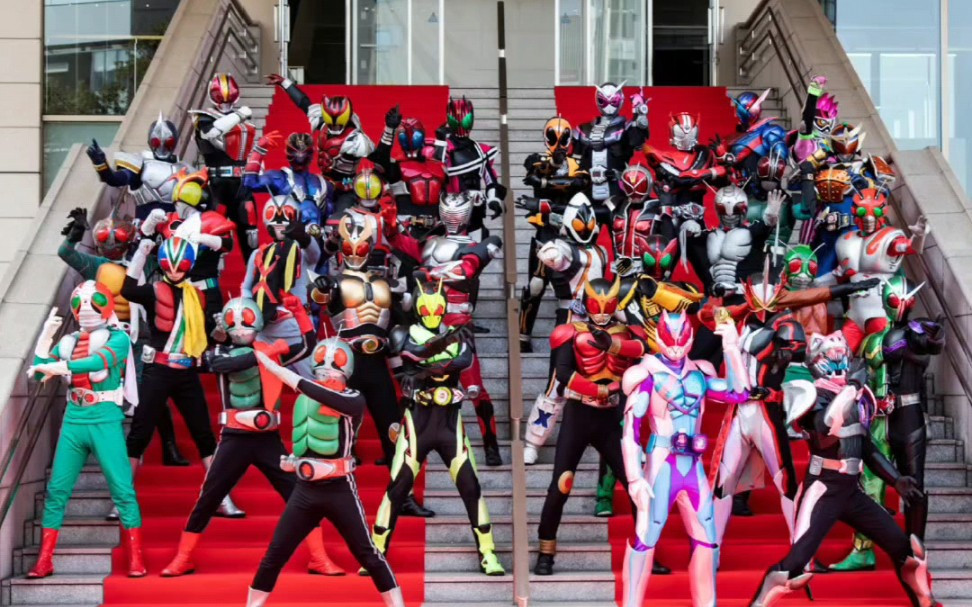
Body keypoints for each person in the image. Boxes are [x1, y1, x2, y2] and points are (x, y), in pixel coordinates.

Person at [750, 331, 938, 607]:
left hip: (851, 489)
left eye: (843, 358)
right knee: (792, 567)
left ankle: (926, 604)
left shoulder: (858, 397)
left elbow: (866, 447)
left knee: (906, 553)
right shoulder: (810, 394)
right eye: (833, 359)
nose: (840, 365)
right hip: (823, 488)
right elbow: (826, 426)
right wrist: (851, 388)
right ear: (818, 361)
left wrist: (896, 480)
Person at [160, 296, 342, 577]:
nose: (239, 327)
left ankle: (318, 557)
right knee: (210, 497)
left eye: (245, 320)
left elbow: (307, 345)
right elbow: (224, 366)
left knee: (299, 495)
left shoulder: (271, 351)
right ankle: (183, 558)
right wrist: (266, 354)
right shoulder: (220, 352)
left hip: (267, 437)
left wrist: (299, 314)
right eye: (233, 321)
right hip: (235, 437)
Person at [247, 338, 404, 607]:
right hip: (305, 489)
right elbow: (306, 438)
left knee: (368, 554)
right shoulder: (306, 398)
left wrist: (278, 370)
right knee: (275, 553)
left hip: (339, 487)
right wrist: (294, 461)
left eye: (335, 361)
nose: (328, 366)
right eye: (323, 359)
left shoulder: (352, 399)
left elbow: (318, 393)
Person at [369, 281, 504, 575]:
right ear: (417, 307)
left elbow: (462, 360)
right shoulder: (406, 333)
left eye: (437, 308)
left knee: (471, 486)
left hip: (449, 423)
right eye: (426, 308)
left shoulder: (455, 334)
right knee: (398, 487)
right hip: (417, 421)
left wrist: (428, 364)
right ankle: (376, 552)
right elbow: (411, 357)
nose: (432, 314)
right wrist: (442, 351)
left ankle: (488, 552)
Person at [619, 311, 748, 607]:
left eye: (681, 340)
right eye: (670, 339)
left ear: (690, 338)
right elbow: (630, 429)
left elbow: (739, 393)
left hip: (692, 466)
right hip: (661, 463)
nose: (676, 347)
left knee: (707, 538)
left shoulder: (699, 373)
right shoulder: (645, 375)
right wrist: (634, 477)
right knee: (646, 535)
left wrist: (731, 347)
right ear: (658, 337)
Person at [26, 282, 145, 578]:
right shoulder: (68, 342)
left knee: (122, 489)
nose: (87, 309)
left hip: (105, 418)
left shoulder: (118, 338)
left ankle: (136, 558)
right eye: (81, 303)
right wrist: (44, 341)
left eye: (94, 302)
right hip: (74, 419)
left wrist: (60, 367)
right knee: (57, 490)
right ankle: (44, 560)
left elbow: (96, 361)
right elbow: (39, 372)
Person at [121, 237, 244, 516]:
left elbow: (212, 337)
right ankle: (122, 499)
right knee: (139, 432)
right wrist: (141, 252)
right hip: (158, 369)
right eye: (170, 266)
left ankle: (220, 498)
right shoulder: (154, 291)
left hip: (187, 370)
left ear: (189, 265)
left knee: (204, 434)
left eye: (180, 266)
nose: (175, 271)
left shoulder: (198, 296)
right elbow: (127, 289)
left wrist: (221, 332)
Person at [57, 206, 188, 467]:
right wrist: (76, 232)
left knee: (151, 391)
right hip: (106, 338)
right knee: (105, 389)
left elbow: (166, 255)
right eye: (106, 241)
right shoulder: (96, 266)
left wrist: (155, 230)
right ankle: (103, 448)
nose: (112, 246)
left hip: (141, 335)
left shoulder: (143, 261)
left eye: (117, 240)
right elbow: (65, 252)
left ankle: (169, 446)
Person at [533, 278, 648, 576]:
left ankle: (645, 552)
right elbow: (562, 372)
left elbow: (646, 349)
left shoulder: (627, 332)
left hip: (611, 417)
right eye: (596, 304)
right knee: (561, 484)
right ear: (587, 302)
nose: (601, 312)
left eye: (608, 305)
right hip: (580, 414)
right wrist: (599, 389)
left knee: (635, 485)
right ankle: (545, 551)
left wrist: (619, 337)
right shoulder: (571, 331)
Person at [190, 72, 259, 262]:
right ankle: (207, 274)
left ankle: (255, 276)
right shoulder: (203, 118)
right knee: (212, 231)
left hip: (241, 183)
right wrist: (239, 115)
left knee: (251, 232)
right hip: (217, 183)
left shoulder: (243, 121)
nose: (225, 100)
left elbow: (246, 150)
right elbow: (211, 133)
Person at [85, 112, 186, 219]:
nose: (162, 147)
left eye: (168, 143)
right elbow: (114, 179)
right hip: (145, 225)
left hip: (178, 225)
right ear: (150, 142)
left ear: (175, 142)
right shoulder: (141, 164)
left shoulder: (185, 169)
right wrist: (101, 165)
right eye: (156, 142)